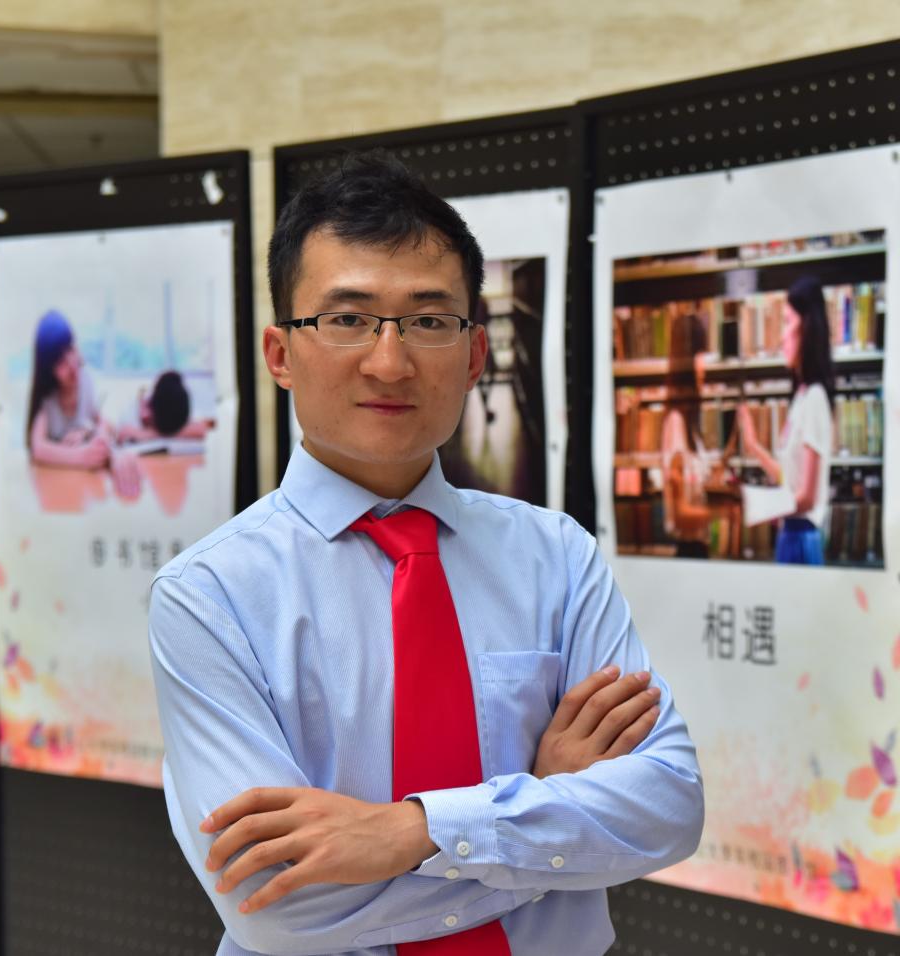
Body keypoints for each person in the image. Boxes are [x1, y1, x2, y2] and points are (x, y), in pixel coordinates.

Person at [149, 154, 703, 956]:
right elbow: (275, 906)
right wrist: (543, 810)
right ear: (279, 354)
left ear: (475, 355)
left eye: (429, 321)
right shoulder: (210, 594)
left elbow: (668, 808)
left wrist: (414, 831)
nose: (389, 361)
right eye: (347, 319)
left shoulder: (556, 557)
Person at [737, 276, 834, 564]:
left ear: (807, 328)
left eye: (788, 322)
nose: (782, 336)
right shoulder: (802, 398)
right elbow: (790, 479)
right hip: (790, 535)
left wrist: (763, 505)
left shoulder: (814, 398)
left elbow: (806, 497)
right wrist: (753, 446)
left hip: (801, 538)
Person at [26, 310, 140, 498]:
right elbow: (37, 448)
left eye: (70, 349)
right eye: (59, 361)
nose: (71, 364)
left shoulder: (90, 380)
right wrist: (82, 456)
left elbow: (108, 418)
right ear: (48, 369)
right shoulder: (48, 400)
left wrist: (97, 437)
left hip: (91, 487)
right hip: (56, 487)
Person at [659, 311, 731, 559]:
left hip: (698, 549)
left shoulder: (690, 427)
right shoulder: (676, 425)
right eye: (702, 354)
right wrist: (725, 513)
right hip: (688, 551)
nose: (705, 366)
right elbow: (680, 514)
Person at [115, 369, 214, 445]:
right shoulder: (127, 409)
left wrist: (148, 434)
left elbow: (202, 429)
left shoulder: (176, 405)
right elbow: (121, 434)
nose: (146, 417)